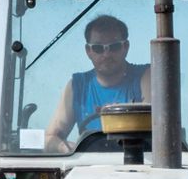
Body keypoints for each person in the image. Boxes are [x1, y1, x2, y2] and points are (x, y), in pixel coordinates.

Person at [44, 15, 150, 153]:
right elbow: (49, 138)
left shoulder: (146, 76)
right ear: (88, 51)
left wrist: (118, 114)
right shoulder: (77, 87)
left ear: (126, 47)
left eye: (114, 47)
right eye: (98, 48)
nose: (106, 54)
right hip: (90, 163)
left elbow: (156, 122)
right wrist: (67, 148)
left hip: (138, 161)